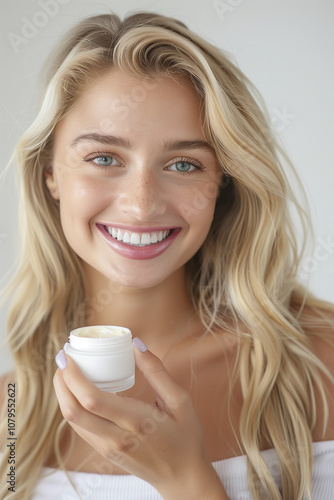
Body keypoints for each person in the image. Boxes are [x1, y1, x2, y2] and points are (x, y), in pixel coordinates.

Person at [0, 11, 333, 500]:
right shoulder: (12, 409)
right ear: (50, 172)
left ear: (224, 182)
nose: (141, 204)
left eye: (183, 164)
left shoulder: (317, 368)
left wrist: (187, 481)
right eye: (104, 158)